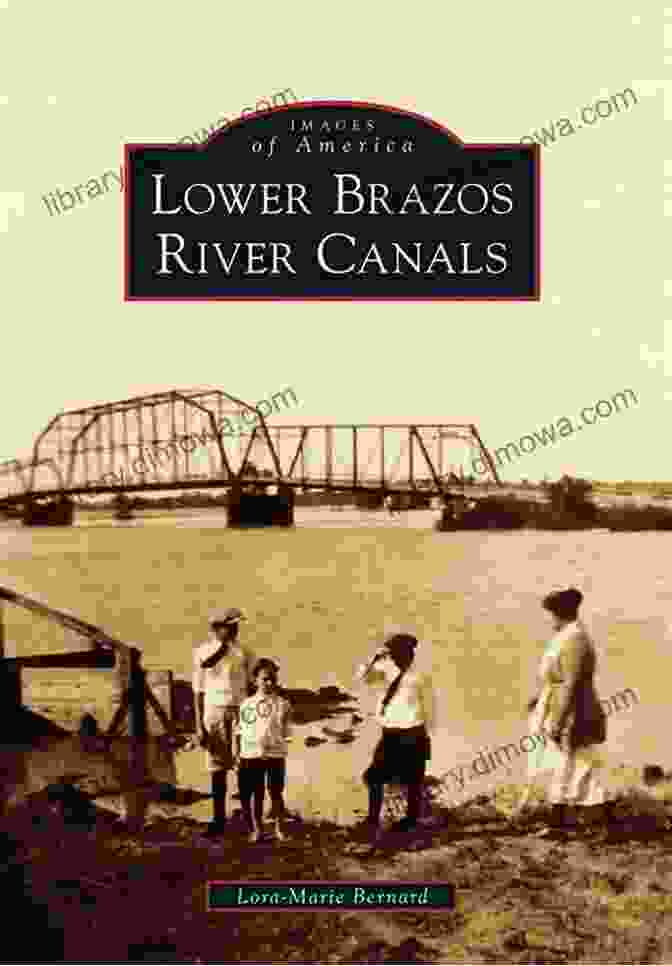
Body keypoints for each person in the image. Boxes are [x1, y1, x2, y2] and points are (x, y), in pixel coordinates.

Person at [521, 587, 608, 836]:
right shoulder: (564, 637)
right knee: (566, 763)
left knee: (574, 763)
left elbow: (570, 682)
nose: (549, 619)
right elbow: (556, 678)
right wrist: (540, 700)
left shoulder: (575, 638)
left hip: (574, 709)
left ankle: (574, 822)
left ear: (561, 613)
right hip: (560, 704)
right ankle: (564, 821)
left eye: (551, 614)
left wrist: (558, 719)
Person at [355, 633, 435, 839]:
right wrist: (374, 658)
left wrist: (427, 735)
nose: (400, 658)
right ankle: (373, 819)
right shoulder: (385, 672)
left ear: (410, 654)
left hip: (413, 733)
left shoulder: (420, 677)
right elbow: (362, 679)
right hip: (390, 734)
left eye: (403, 654)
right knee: (374, 777)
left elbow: (430, 709)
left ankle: (411, 821)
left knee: (413, 780)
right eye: (395, 654)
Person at [193, 608, 256, 838]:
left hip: (241, 711)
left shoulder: (246, 652)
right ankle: (218, 819)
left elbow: (252, 687)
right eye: (230, 625)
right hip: (214, 712)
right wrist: (198, 725)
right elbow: (198, 690)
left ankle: (248, 818)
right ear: (217, 627)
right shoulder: (202, 652)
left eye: (236, 625)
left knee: (244, 766)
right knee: (217, 768)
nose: (235, 629)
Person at [235, 658, 292, 843]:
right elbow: (240, 731)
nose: (269, 683)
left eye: (273, 679)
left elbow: (286, 731)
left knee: (276, 792)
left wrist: (279, 746)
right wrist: (237, 755)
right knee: (255, 793)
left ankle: (279, 829)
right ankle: (257, 829)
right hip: (251, 754)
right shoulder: (247, 704)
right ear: (255, 680)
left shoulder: (283, 704)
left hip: (275, 754)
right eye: (265, 679)